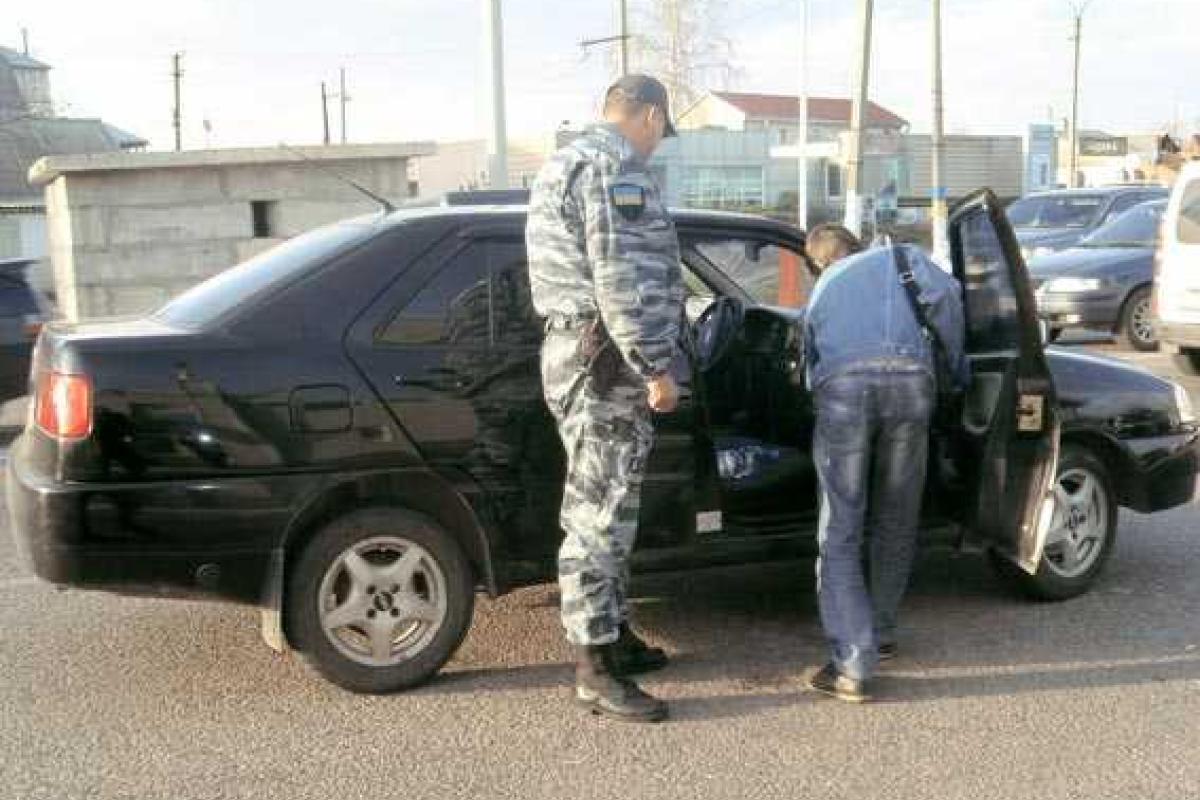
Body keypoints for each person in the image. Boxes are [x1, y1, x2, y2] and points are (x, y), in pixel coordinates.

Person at [525, 74, 685, 723]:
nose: (656, 147)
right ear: (647, 115)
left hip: (581, 353)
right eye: (659, 132)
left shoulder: (566, 160)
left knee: (611, 507)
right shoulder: (612, 167)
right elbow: (622, 273)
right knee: (598, 513)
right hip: (606, 362)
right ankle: (593, 666)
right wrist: (654, 367)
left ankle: (613, 637)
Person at [802, 240, 967, 703]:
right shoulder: (902, 258)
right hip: (913, 387)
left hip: (844, 393)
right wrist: (956, 367)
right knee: (896, 518)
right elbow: (949, 299)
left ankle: (852, 665)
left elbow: (806, 352)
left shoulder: (825, 286)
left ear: (821, 260)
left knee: (840, 528)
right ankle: (883, 632)